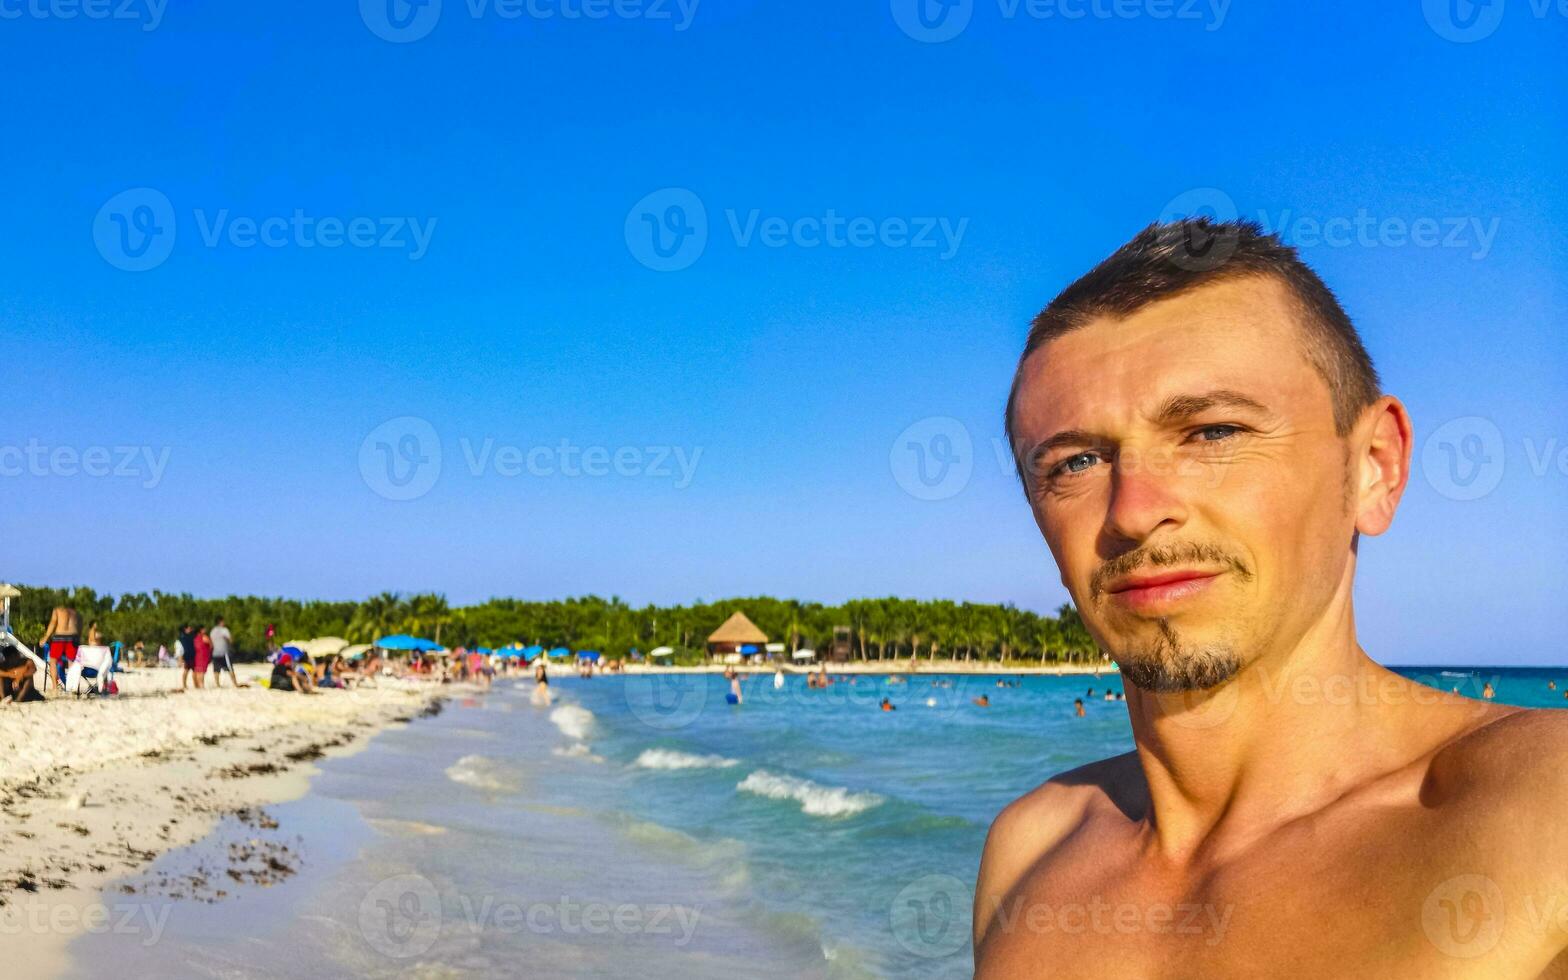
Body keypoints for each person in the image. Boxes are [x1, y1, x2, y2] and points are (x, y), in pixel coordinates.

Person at [974, 219, 1568, 976]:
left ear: (1374, 469)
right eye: (1077, 460)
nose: (1133, 509)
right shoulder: (1030, 851)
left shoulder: (1539, 813)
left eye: (1214, 432)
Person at [38, 602, 81, 694]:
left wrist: (46, 637)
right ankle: (71, 687)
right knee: (71, 663)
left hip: (60, 637)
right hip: (73, 637)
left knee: (53, 661)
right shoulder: (75, 611)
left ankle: (55, 687)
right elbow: (79, 626)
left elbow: (53, 623)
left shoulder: (58, 609)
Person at [210, 617, 241, 687]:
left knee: (216, 669)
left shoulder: (213, 631)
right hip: (224, 652)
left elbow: (211, 642)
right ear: (220, 622)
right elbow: (230, 640)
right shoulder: (224, 630)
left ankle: (217, 684)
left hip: (215, 653)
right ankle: (235, 683)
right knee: (230, 668)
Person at [177, 624, 198, 691]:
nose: (190, 629)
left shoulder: (182, 637)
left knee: (188, 670)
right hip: (189, 655)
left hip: (188, 655)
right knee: (191, 670)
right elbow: (180, 649)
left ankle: (186, 684)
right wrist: (180, 658)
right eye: (189, 628)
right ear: (185, 629)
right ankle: (193, 684)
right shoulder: (187, 636)